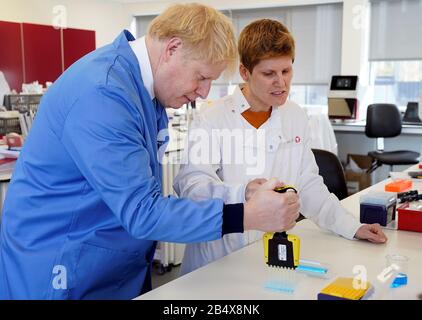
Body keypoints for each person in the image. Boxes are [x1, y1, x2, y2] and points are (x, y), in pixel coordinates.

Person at [0, 5, 301, 300]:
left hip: (111, 265)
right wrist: (246, 215)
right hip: (60, 269)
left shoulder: (144, 90)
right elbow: (143, 211)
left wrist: (239, 197)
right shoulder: (102, 94)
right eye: (202, 77)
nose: (205, 92)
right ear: (172, 49)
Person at [174, 19, 387, 276]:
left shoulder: (294, 116)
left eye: (286, 71)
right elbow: (191, 186)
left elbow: (307, 186)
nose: (281, 82)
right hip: (219, 259)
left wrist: (351, 226)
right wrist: (242, 193)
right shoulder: (212, 118)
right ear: (244, 72)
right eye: (269, 74)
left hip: (271, 257)